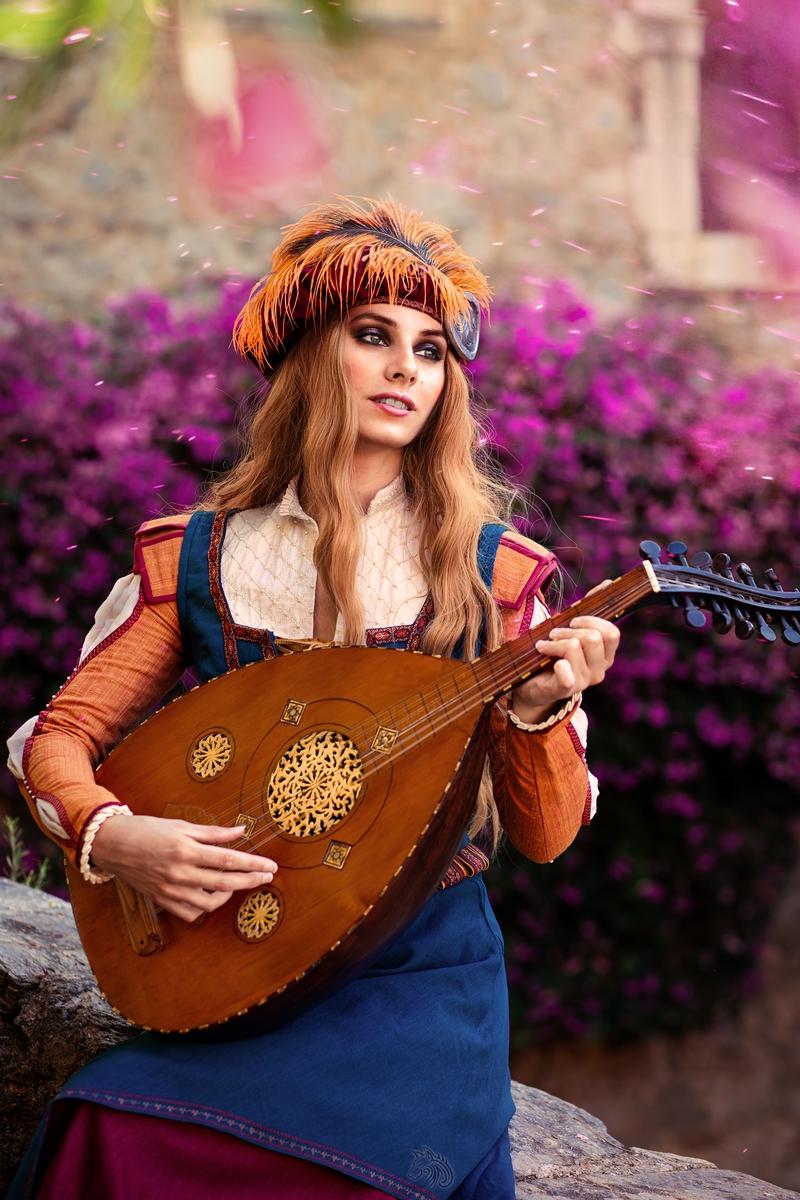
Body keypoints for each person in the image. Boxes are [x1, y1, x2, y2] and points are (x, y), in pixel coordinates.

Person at [7, 196, 619, 1199]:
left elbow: (546, 837)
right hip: (235, 961)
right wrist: (115, 837)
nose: (403, 369)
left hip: (418, 978)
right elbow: (60, 736)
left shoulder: (499, 577)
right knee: (105, 1123)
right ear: (307, 357)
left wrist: (537, 711)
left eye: (429, 351)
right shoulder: (197, 556)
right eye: (373, 336)